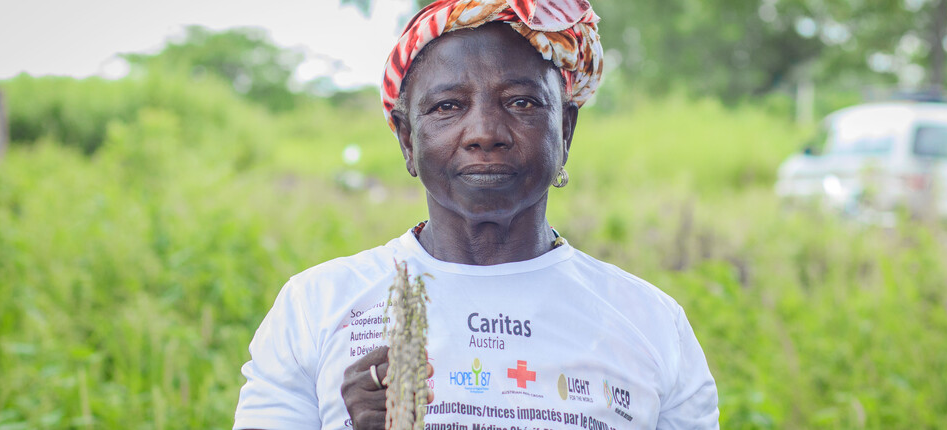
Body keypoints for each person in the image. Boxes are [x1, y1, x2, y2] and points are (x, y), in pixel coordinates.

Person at [233, 0, 719, 428]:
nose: (485, 132)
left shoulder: (651, 325)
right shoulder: (315, 307)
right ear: (407, 139)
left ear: (565, 130)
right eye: (448, 106)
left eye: (521, 102)